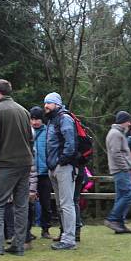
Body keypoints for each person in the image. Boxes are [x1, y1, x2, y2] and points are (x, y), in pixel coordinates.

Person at [0, 80, 33, 256]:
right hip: (25, 163)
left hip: (6, 164)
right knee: (21, 204)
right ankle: (18, 244)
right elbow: (29, 138)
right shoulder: (24, 111)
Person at [43, 92, 78, 250]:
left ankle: (69, 240)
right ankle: (66, 236)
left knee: (66, 204)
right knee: (60, 205)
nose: (46, 106)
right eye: (45, 103)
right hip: (54, 167)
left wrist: (61, 162)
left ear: (57, 104)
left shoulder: (64, 118)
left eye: (49, 103)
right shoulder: (52, 120)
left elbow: (70, 143)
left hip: (63, 167)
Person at [104, 110, 131, 234]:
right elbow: (116, 153)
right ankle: (112, 219)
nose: (130, 124)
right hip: (120, 170)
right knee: (129, 195)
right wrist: (125, 166)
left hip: (120, 169)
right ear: (124, 121)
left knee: (122, 196)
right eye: (128, 121)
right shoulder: (115, 134)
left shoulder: (118, 133)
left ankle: (120, 225)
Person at [30, 106, 56, 239]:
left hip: (44, 173)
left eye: (37, 119)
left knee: (46, 203)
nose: (35, 122)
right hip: (30, 172)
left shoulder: (48, 132)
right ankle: (27, 230)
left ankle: (45, 229)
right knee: (29, 202)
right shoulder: (27, 132)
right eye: (33, 119)